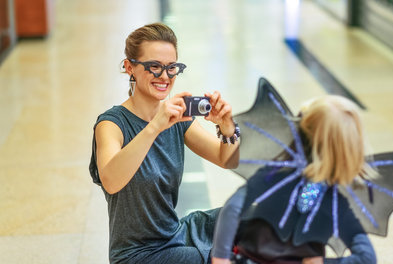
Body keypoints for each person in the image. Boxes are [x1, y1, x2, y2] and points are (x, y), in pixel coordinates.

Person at [89, 23, 240, 264]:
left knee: (250, 219)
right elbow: (111, 180)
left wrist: (227, 127)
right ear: (130, 67)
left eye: (171, 68)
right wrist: (155, 125)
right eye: (154, 67)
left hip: (174, 234)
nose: (165, 76)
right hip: (137, 255)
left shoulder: (176, 117)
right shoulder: (111, 124)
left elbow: (227, 159)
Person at [211, 95, 377, 264]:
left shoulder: (275, 176)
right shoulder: (333, 200)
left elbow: (232, 208)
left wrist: (220, 258)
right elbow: (367, 258)